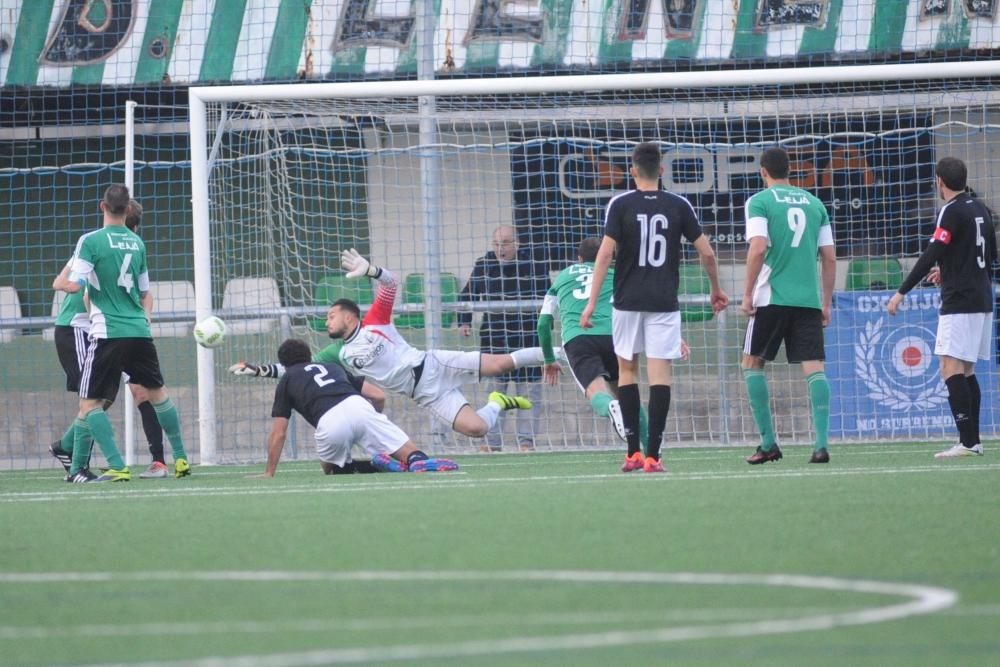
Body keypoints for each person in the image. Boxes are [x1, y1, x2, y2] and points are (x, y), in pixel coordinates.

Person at [231, 249, 551, 441]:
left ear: (350, 317)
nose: (326, 321)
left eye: (332, 315)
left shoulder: (375, 320)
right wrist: (257, 369)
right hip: (425, 393)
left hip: (433, 364)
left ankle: (562, 353)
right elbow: (299, 370)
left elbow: (391, 283)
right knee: (477, 429)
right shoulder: (337, 354)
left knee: (502, 363)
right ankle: (498, 401)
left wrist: (371, 270)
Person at [580, 142, 728, 473]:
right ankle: (654, 455)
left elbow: (604, 254)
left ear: (633, 171)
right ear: (661, 171)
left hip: (627, 302)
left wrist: (592, 303)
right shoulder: (679, 204)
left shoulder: (619, 204)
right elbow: (706, 252)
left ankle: (632, 450)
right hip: (663, 303)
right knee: (660, 376)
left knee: (627, 372)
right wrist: (715, 290)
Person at [59, 184, 192, 482]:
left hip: (108, 331)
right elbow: (145, 292)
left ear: (102, 206)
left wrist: (61, 284)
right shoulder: (137, 243)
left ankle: (117, 465)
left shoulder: (90, 240)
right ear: (128, 209)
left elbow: (76, 284)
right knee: (158, 394)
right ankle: (181, 459)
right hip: (139, 330)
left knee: (90, 404)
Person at [887, 157, 997, 458]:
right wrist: (949, 271)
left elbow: (931, 254)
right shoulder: (980, 209)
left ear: (939, 181)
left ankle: (968, 441)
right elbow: (988, 256)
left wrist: (901, 292)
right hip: (982, 298)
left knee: (950, 368)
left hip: (960, 300)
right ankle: (973, 441)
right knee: (966, 369)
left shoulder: (949, 210)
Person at [740, 146, 836, 465]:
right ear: (790, 170)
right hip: (808, 300)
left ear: (763, 172)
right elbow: (830, 256)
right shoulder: (815, 203)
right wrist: (825, 302)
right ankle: (820, 445)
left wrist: (747, 292)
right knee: (815, 368)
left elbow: (757, 247)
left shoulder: (760, 201)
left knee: (752, 364)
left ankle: (768, 443)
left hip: (771, 296)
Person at [257, 339, 457, 476]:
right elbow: (378, 395)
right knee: (410, 452)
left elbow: (279, 433)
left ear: (283, 364)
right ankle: (416, 460)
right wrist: (372, 420)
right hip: (359, 406)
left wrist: (269, 472)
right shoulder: (333, 367)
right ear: (309, 356)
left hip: (329, 422)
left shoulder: (287, 379)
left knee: (331, 469)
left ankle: (372, 465)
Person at [537, 237, 650, 452]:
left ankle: (610, 407)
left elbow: (543, 324)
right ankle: (651, 447)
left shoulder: (563, 276)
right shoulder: (615, 274)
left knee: (596, 391)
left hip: (579, 336)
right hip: (615, 337)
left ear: (579, 259)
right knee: (628, 390)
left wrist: (549, 359)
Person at [458, 225, 549, 452]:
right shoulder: (484, 265)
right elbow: (467, 294)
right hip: (494, 339)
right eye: (497, 243)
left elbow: (549, 296)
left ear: (517, 244)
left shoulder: (533, 265)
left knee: (528, 392)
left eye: (506, 243)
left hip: (527, 337)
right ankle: (491, 442)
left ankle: (526, 441)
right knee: (494, 391)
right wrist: (464, 320)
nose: (501, 248)